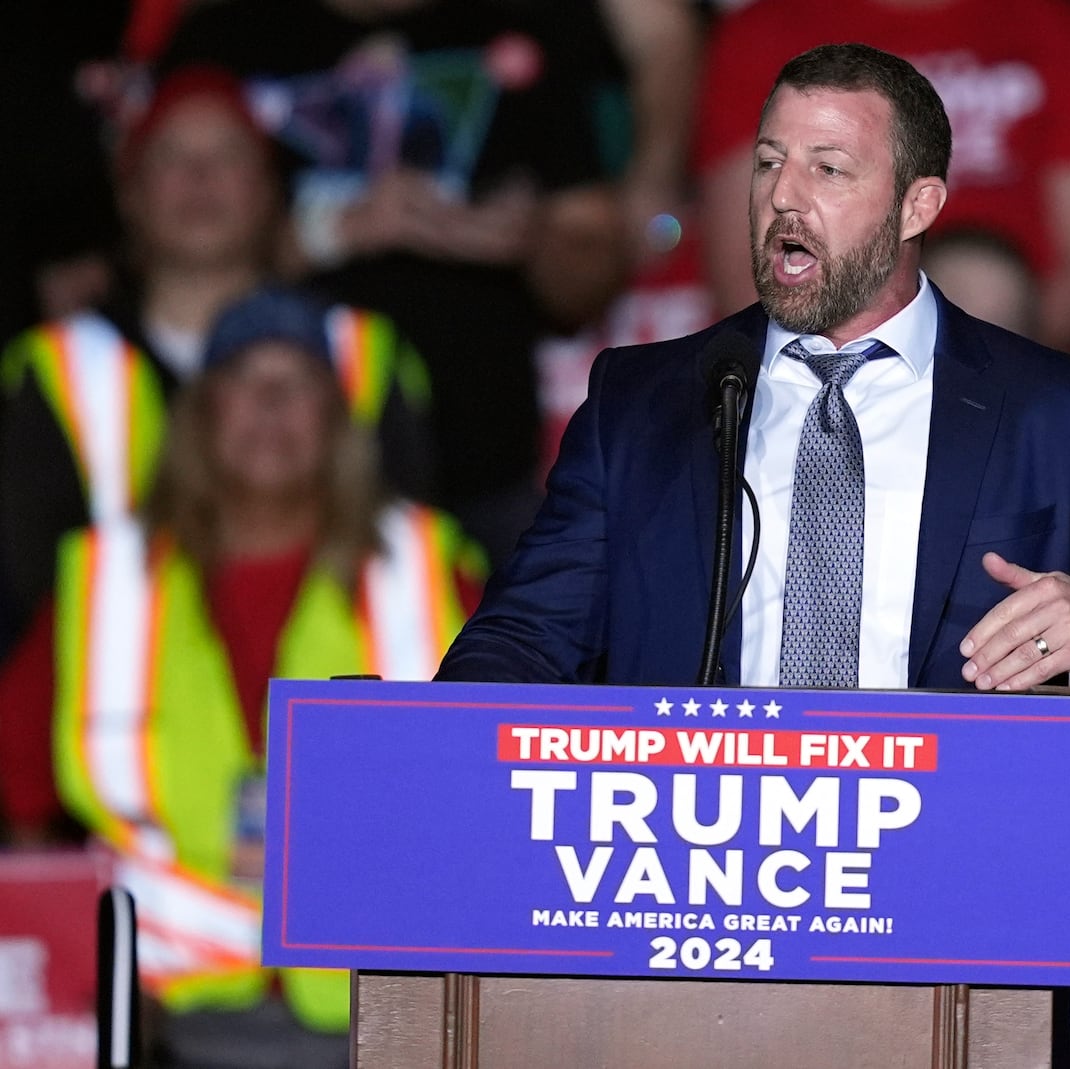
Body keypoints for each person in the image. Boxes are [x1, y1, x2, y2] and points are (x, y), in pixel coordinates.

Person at [436, 44, 1070, 1067]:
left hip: (956, 955)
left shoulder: (1063, 417)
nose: (783, 199)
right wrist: (447, 773)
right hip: (674, 957)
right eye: (768, 163)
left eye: (829, 168)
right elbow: (517, 647)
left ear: (917, 203)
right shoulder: (646, 402)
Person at [0, 287, 482, 1063]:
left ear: (337, 421)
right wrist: (71, 983)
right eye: (244, 383)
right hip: (164, 1015)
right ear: (200, 416)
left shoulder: (427, 568)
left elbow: (511, 781)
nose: (270, 406)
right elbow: (22, 795)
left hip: (384, 1007)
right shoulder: (105, 579)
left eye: (296, 387)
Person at [158, 0, 633, 564]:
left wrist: (536, 241)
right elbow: (161, 248)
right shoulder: (224, 36)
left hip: (483, 472)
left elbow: (591, 261)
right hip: (265, 480)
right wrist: (333, 228)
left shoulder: (526, 21)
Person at [0, 65, 434, 655]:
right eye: (172, 158)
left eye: (227, 156)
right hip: (126, 712)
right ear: (129, 193)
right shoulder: (56, 367)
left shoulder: (361, 351)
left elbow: (412, 569)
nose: (200, 179)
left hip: (337, 705)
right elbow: (27, 594)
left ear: (267, 190)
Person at [691, 0, 1070, 354]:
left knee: (981, 285)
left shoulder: (1054, 26)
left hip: (1017, 373)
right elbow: (745, 282)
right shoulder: (764, 33)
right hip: (824, 375)